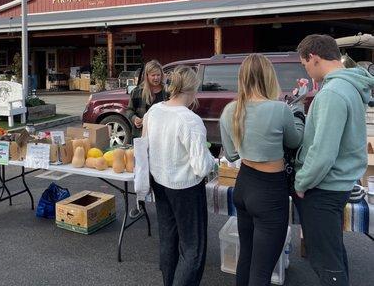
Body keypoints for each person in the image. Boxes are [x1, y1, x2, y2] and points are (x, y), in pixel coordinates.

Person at [294, 34, 374, 286]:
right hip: (338, 184)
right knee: (334, 252)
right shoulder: (349, 85)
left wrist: (302, 182)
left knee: (325, 260)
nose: (306, 70)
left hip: (324, 188)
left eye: (304, 64)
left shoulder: (332, 93)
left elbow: (323, 152)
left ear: (314, 58)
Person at [219, 53, 304, 286]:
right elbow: (295, 141)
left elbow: (231, 154)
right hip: (269, 191)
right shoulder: (280, 109)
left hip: (244, 186)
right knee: (262, 269)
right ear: (268, 77)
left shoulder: (229, 110)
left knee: (246, 255)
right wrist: (298, 116)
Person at [143, 65, 215, 286]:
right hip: (185, 187)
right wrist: (214, 160)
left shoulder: (154, 110)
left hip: (159, 181)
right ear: (193, 89)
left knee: (168, 238)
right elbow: (202, 167)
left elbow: (145, 144)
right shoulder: (190, 120)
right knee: (193, 246)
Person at [126, 60, 169, 139]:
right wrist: (135, 119)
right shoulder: (137, 92)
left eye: (158, 75)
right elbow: (129, 110)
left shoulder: (167, 91)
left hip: (162, 135)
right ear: (147, 76)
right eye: (153, 75)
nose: (156, 78)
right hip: (141, 134)